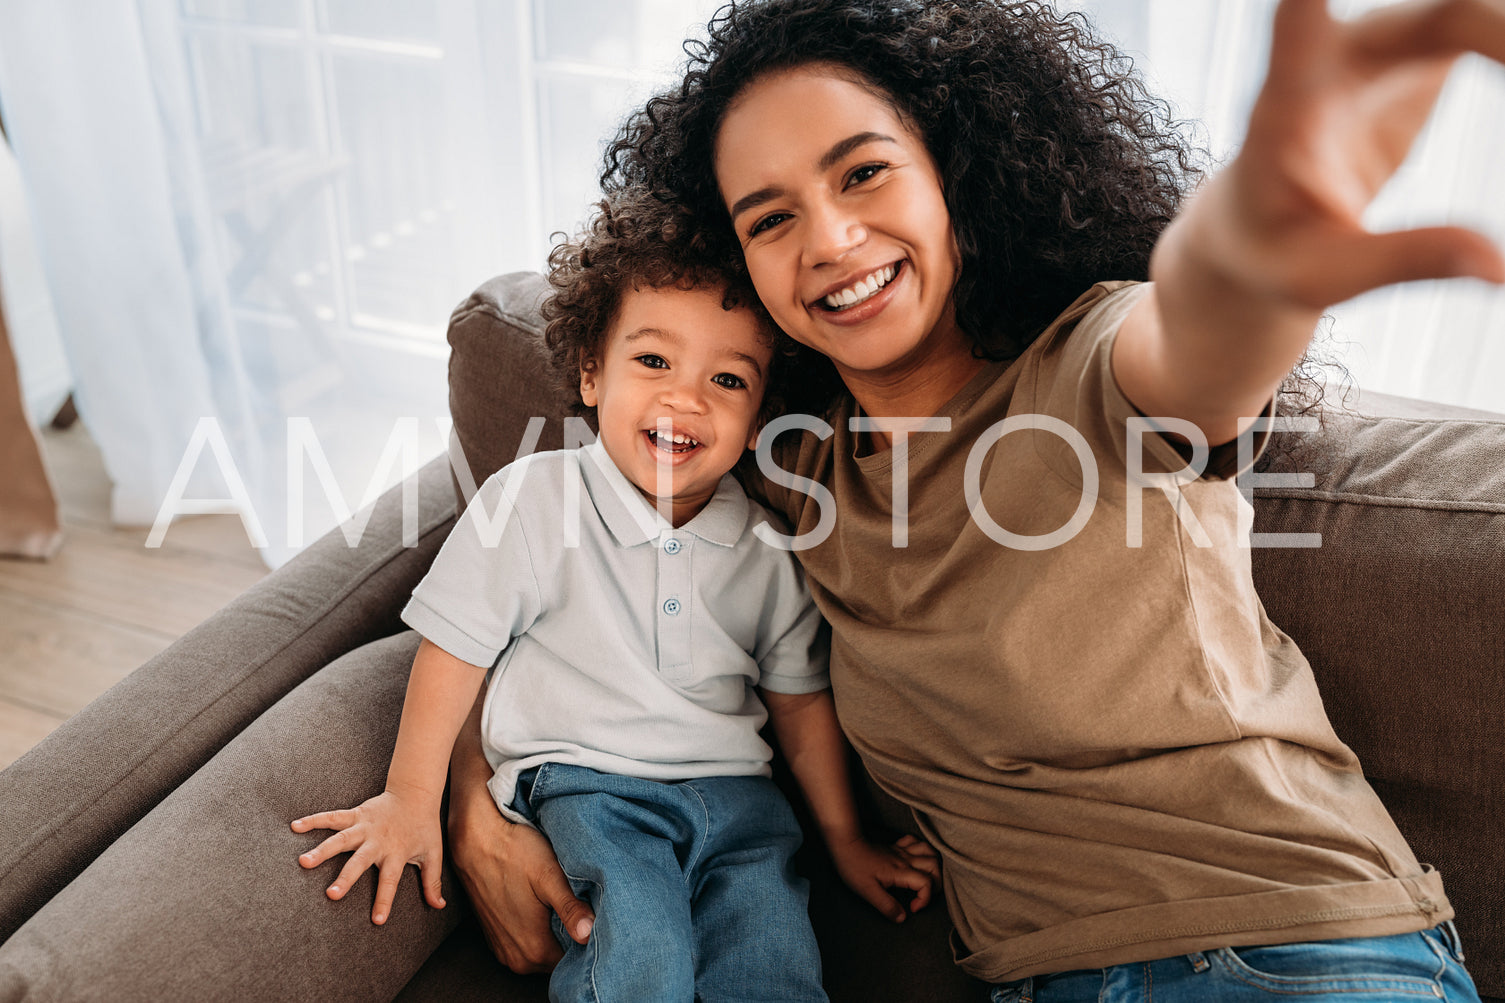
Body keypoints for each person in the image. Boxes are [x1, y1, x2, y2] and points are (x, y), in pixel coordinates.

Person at [444, 1, 1504, 1000]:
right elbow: (513, 598)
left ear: (955, 171)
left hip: (1292, 946)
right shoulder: (788, 466)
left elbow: (1193, 342)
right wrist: (471, 807)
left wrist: (1260, 250)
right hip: (1040, 974)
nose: (827, 240)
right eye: (770, 220)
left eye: (862, 172)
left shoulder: (1087, 367)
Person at [289, 189, 938, 1002]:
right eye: (653, 361)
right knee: (640, 960)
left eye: (727, 378)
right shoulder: (533, 500)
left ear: (759, 413)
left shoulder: (769, 544)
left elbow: (800, 704)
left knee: (774, 966)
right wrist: (413, 799)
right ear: (593, 372)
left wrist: (844, 840)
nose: (685, 397)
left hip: (745, 807)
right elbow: (452, 651)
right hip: (591, 790)